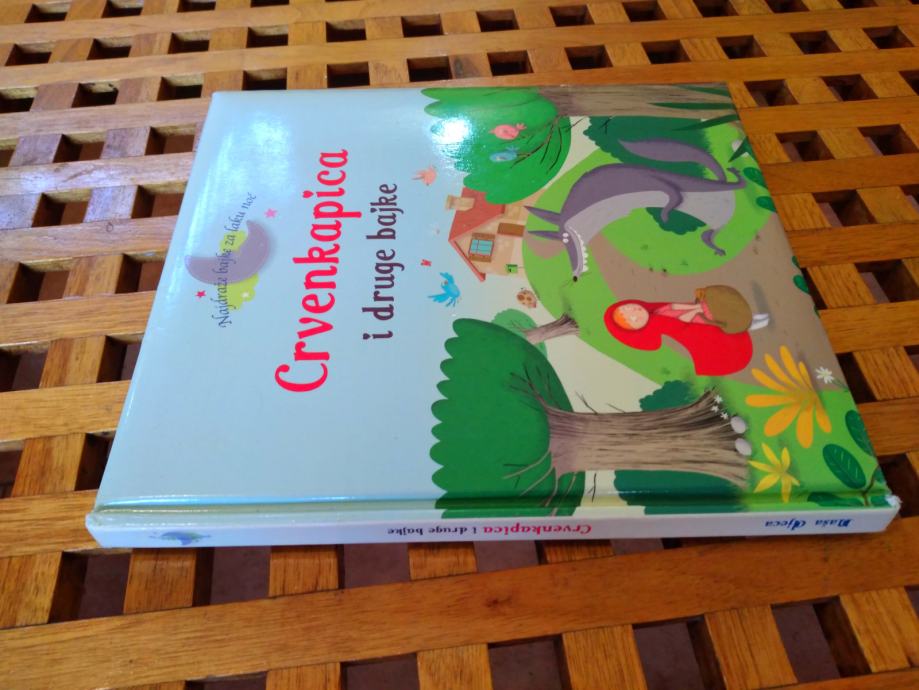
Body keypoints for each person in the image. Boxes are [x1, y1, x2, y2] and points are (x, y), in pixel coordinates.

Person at [605, 286, 759, 376]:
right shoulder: (657, 322)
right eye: (632, 318)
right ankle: (748, 321)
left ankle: (747, 320)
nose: (635, 312)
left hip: (700, 314)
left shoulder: (656, 311)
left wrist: (694, 307)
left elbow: (675, 308)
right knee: (718, 315)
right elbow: (681, 322)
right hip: (700, 319)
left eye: (630, 308)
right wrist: (696, 310)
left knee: (719, 307)